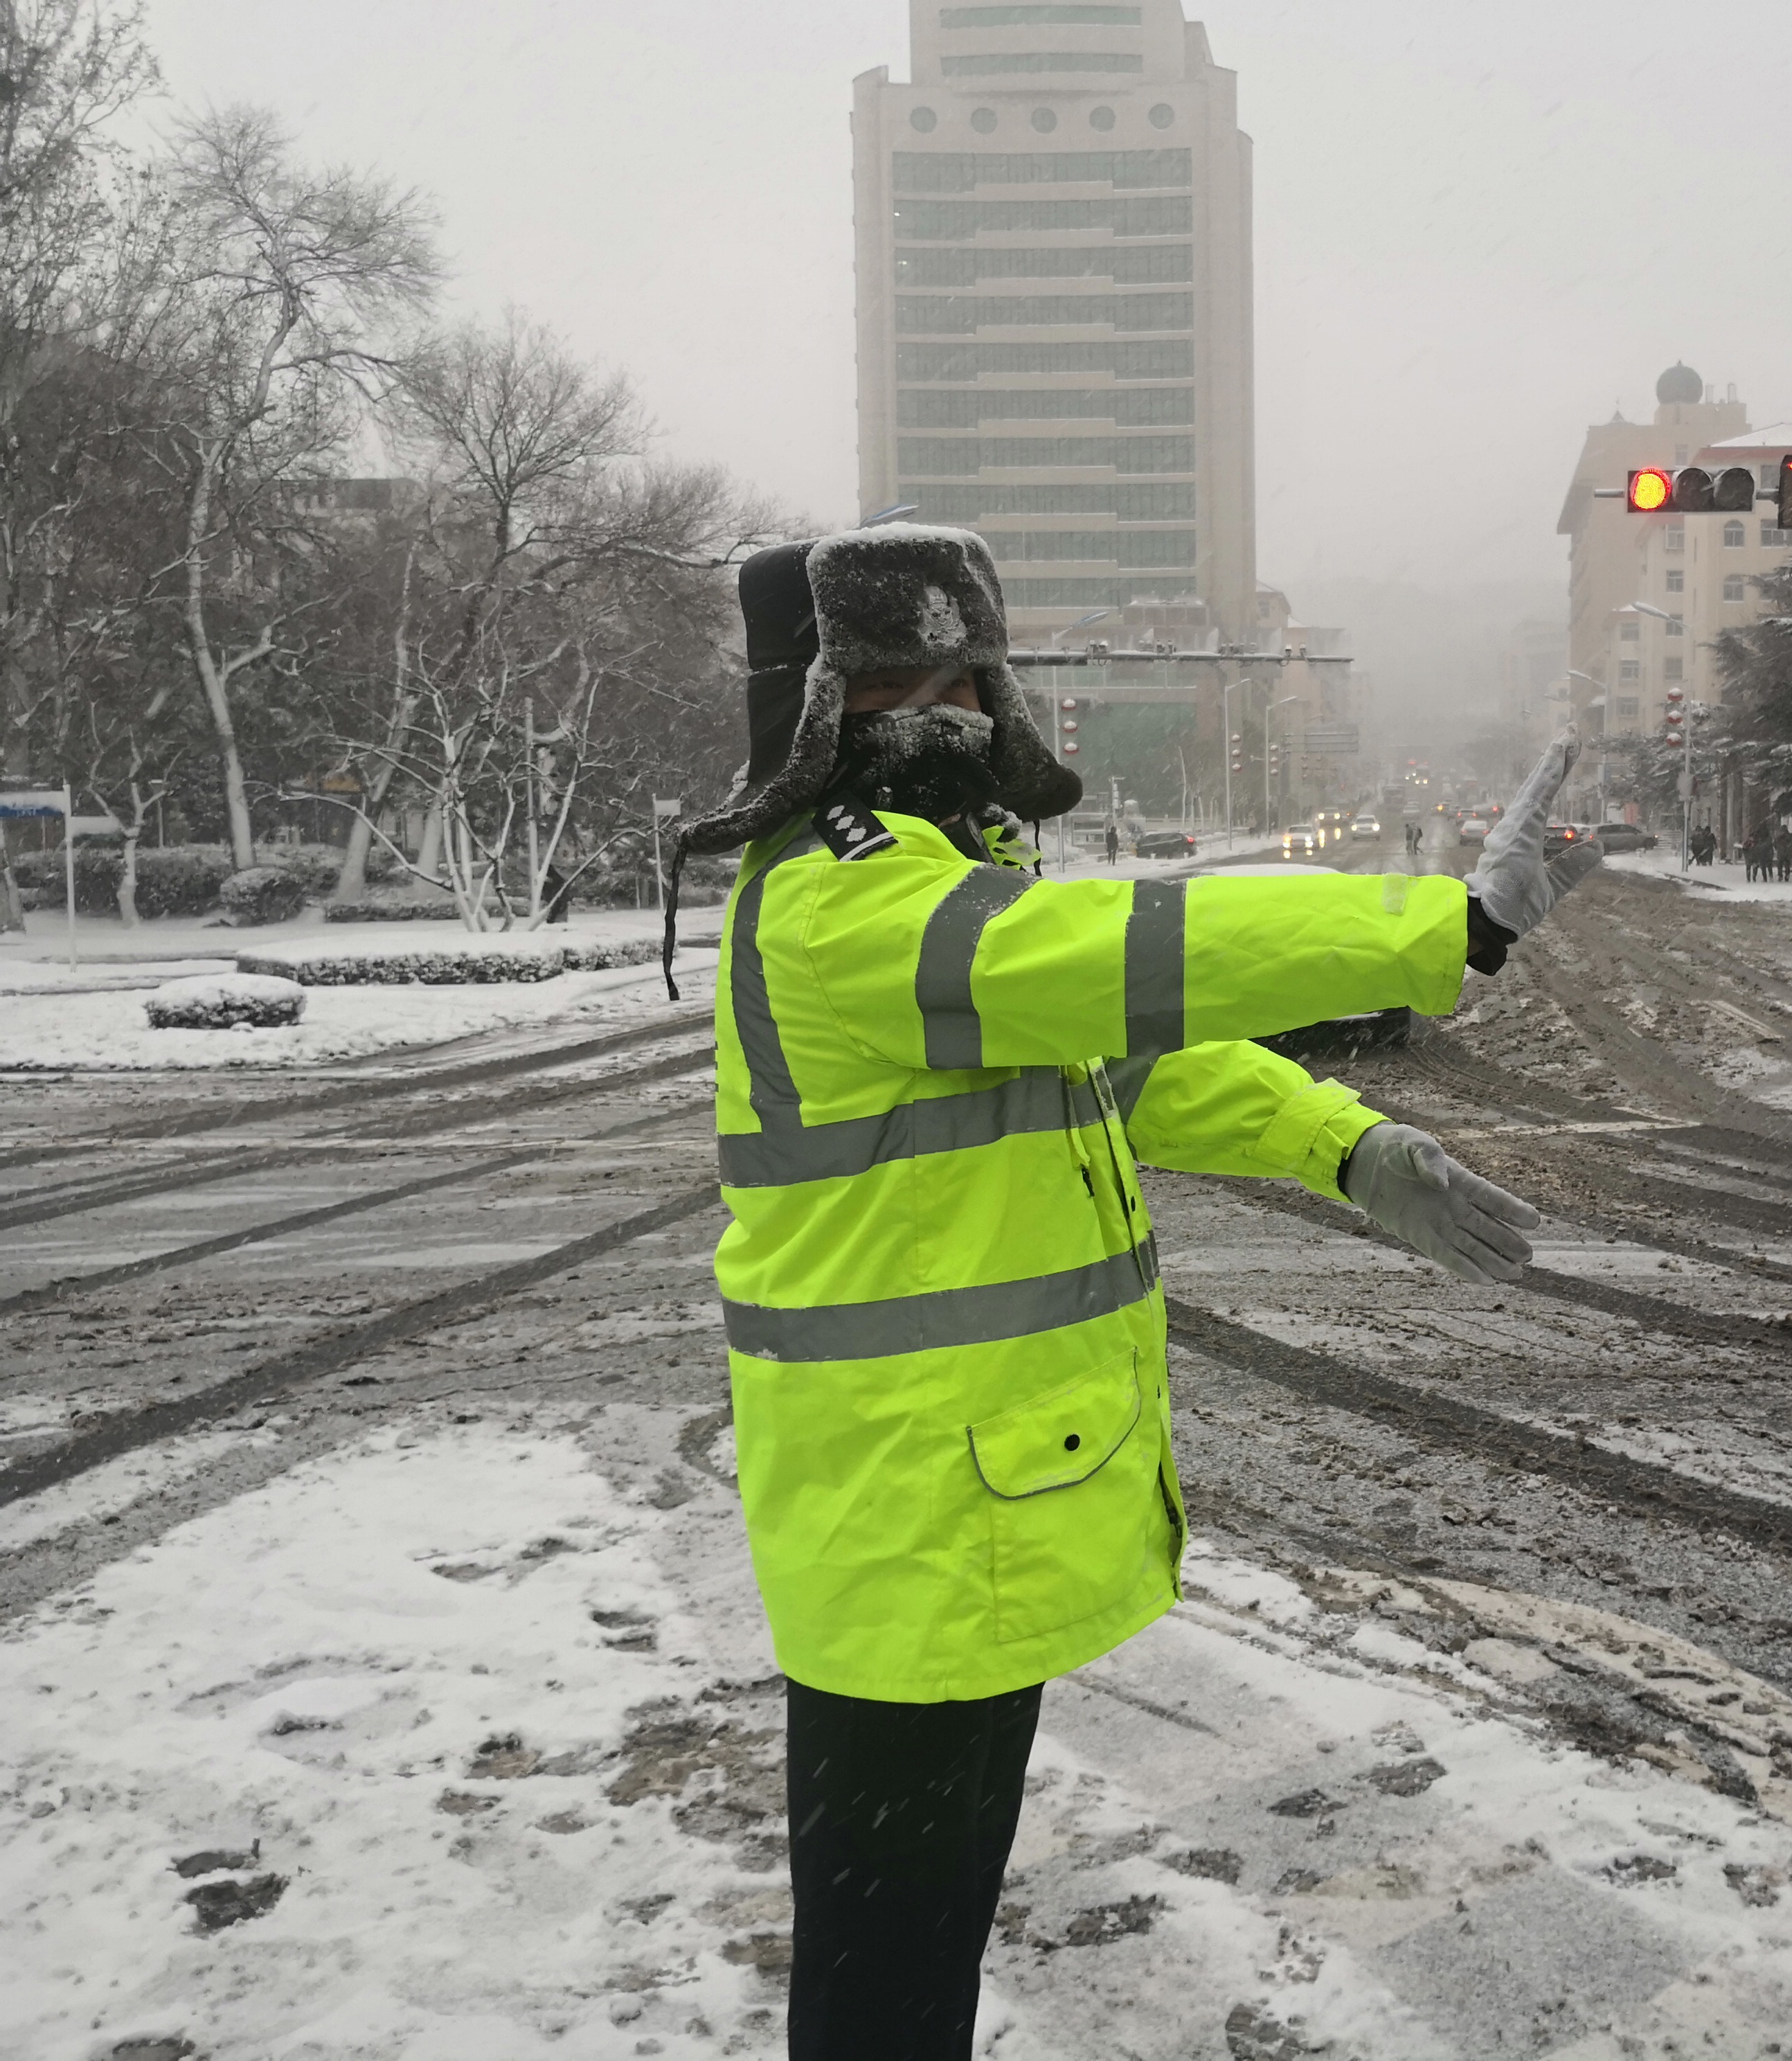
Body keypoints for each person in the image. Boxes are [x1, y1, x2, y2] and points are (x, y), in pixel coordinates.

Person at [660, 525, 1606, 2061]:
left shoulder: (941, 884)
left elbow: (1123, 1058)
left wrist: (1343, 1148)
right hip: (904, 1524)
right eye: (916, 675)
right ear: (820, 697)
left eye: (968, 671)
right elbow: (1116, 958)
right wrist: (1444, 929)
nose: (959, 708)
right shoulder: (849, 904)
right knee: (885, 1986)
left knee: (925, 1950)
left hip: (960, 1503)